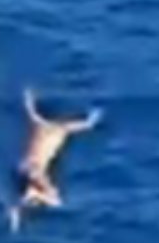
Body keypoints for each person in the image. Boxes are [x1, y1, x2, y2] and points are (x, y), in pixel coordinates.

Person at [8, 89, 102, 233]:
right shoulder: (60, 130)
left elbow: (30, 112)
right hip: (34, 168)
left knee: (43, 195)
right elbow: (84, 126)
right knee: (55, 200)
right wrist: (92, 119)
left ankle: (23, 204)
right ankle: (32, 196)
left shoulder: (40, 124)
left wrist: (28, 98)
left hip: (25, 166)